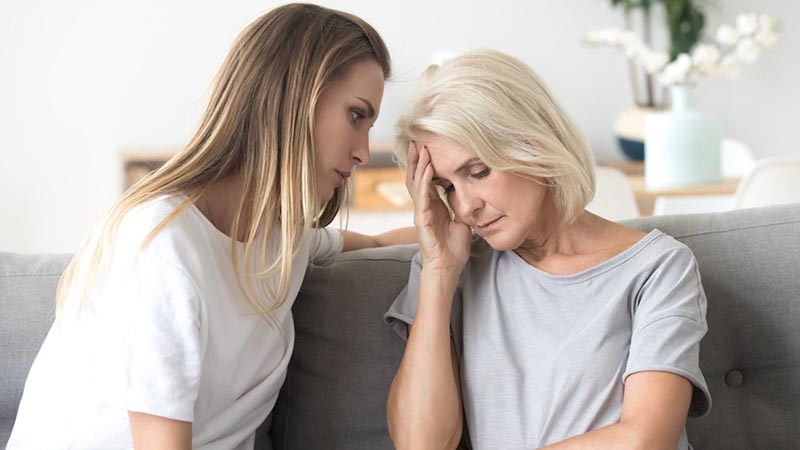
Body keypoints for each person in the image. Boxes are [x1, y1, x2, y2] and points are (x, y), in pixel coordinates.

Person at [8, 4, 414, 449]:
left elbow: (376, 241)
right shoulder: (165, 246)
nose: (362, 151)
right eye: (356, 116)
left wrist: (461, 220)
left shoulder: (279, 239)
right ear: (292, 97)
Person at [384, 50, 711, 450]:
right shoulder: (450, 267)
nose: (465, 206)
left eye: (478, 172)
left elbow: (645, 439)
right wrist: (437, 273)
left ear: (532, 144)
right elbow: (421, 445)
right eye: (447, 187)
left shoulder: (658, 268)